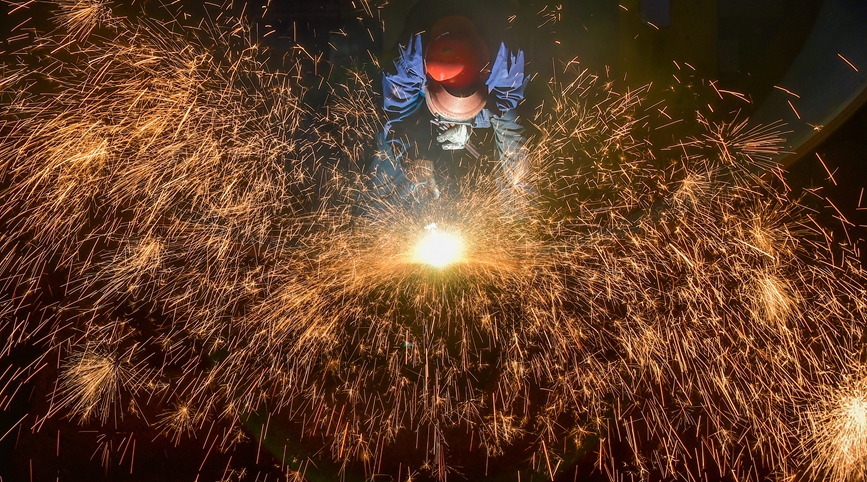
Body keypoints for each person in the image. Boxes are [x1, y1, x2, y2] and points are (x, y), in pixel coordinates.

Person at [362, 14, 534, 213]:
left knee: (513, 131)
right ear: (427, 78)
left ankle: (520, 217)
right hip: (416, 93)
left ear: (484, 74)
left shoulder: (507, 62)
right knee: (388, 146)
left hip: (486, 88)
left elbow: (507, 102)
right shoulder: (407, 63)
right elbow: (397, 117)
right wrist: (414, 157)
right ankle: (381, 218)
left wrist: (471, 120)